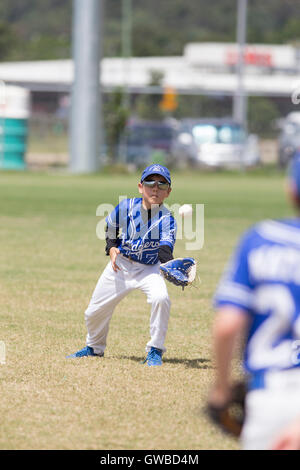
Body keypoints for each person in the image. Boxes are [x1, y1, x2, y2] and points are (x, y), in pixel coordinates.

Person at [208, 153, 300, 450]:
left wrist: (221, 390)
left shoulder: (261, 239)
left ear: (291, 190)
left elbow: (227, 326)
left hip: (267, 396)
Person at [67, 164, 177, 366]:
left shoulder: (167, 219)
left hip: (149, 269)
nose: (155, 188)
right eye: (150, 183)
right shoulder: (126, 207)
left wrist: (170, 267)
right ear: (140, 187)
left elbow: (164, 250)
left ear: (168, 192)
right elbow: (110, 229)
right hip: (121, 265)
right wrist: (111, 247)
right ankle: (94, 348)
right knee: (93, 312)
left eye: (162, 184)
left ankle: (155, 350)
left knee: (161, 298)